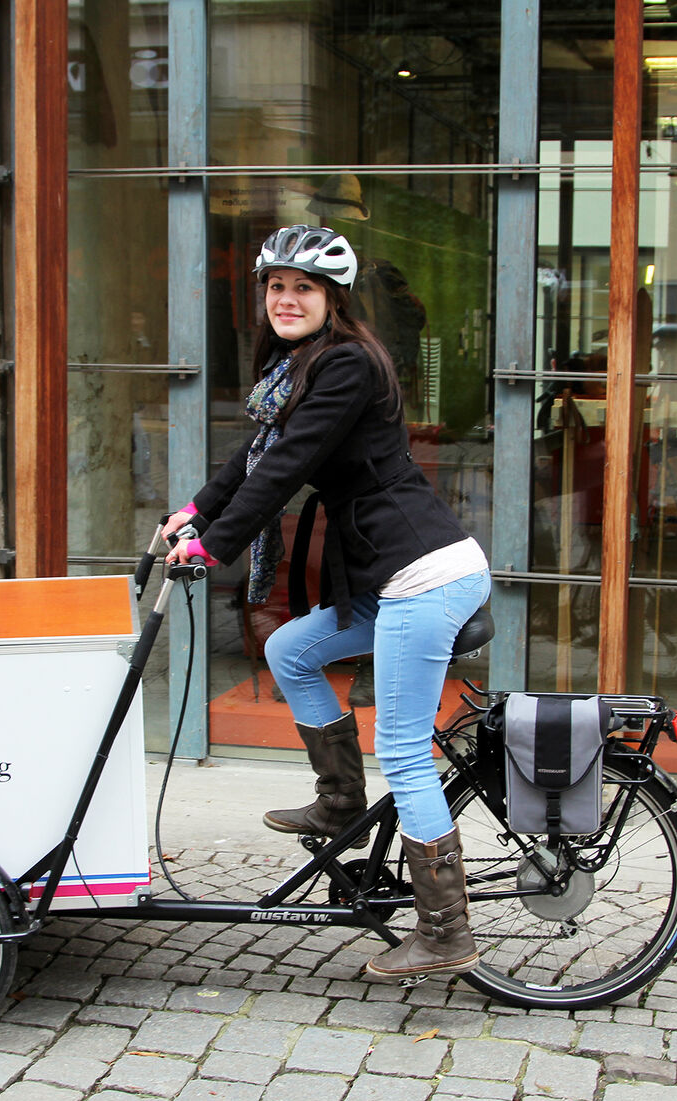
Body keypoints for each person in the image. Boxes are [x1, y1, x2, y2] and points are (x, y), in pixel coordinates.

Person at [163, 224, 492, 979]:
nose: (286, 299)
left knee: (403, 749)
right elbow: (252, 458)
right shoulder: (296, 365)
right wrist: (195, 511)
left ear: (332, 298)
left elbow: (284, 468)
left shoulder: (345, 364)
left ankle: (446, 930)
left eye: (303, 287)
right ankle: (341, 800)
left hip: (423, 573)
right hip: (387, 574)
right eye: (276, 286)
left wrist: (214, 547)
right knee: (289, 648)